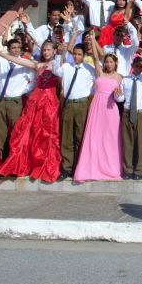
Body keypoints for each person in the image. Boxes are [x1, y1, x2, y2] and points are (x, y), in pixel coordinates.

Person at [0, 38, 62, 183]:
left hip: (49, 102)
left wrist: (61, 53)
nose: (46, 52)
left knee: (46, 133)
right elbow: (18, 61)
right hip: (36, 100)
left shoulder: (57, 64)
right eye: (44, 50)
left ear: (54, 51)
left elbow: (61, 72)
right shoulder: (37, 64)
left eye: (49, 50)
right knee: (28, 131)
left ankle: (43, 165)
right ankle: (25, 165)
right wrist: (0, 53)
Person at [73, 38, 124, 182]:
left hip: (111, 109)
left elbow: (121, 97)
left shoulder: (119, 77)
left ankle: (110, 167)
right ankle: (90, 168)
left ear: (115, 63)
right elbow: (96, 58)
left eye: (111, 62)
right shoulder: (100, 73)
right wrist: (93, 40)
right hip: (96, 107)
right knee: (94, 137)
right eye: (106, 62)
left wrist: (119, 94)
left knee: (110, 139)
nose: (108, 64)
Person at [0, 26, 35, 159]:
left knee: (16, 131)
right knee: (0, 131)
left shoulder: (25, 63)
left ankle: (15, 158)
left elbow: (33, 80)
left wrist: (22, 91)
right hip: (1, 101)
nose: (16, 50)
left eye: (18, 48)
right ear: (9, 49)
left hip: (15, 102)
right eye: (13, 48)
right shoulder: (1, 61)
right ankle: (1, 157)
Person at [55, 42, 96, 180]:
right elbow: (56, 70)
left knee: (80, 136)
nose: (77, 57)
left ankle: (80, 166)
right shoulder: (66, 67)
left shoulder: (89, 69)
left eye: (79, 54)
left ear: (84, 55)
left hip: (82, 104)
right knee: (67, 137)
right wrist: (59, 54)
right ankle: (67, 167)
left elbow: (96, 84)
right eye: (75, 54)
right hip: (69, 103)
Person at [115, 51, 142, 179]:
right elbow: (121, 99)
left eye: (141, 66)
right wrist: (117, 95)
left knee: (141, 144)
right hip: (127, 113)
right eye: (137, 66)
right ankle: (128, 170)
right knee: (127, 143)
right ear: (132, 66)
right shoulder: (125, 80)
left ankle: (138, 171)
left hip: (141, 114)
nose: (139, 68)